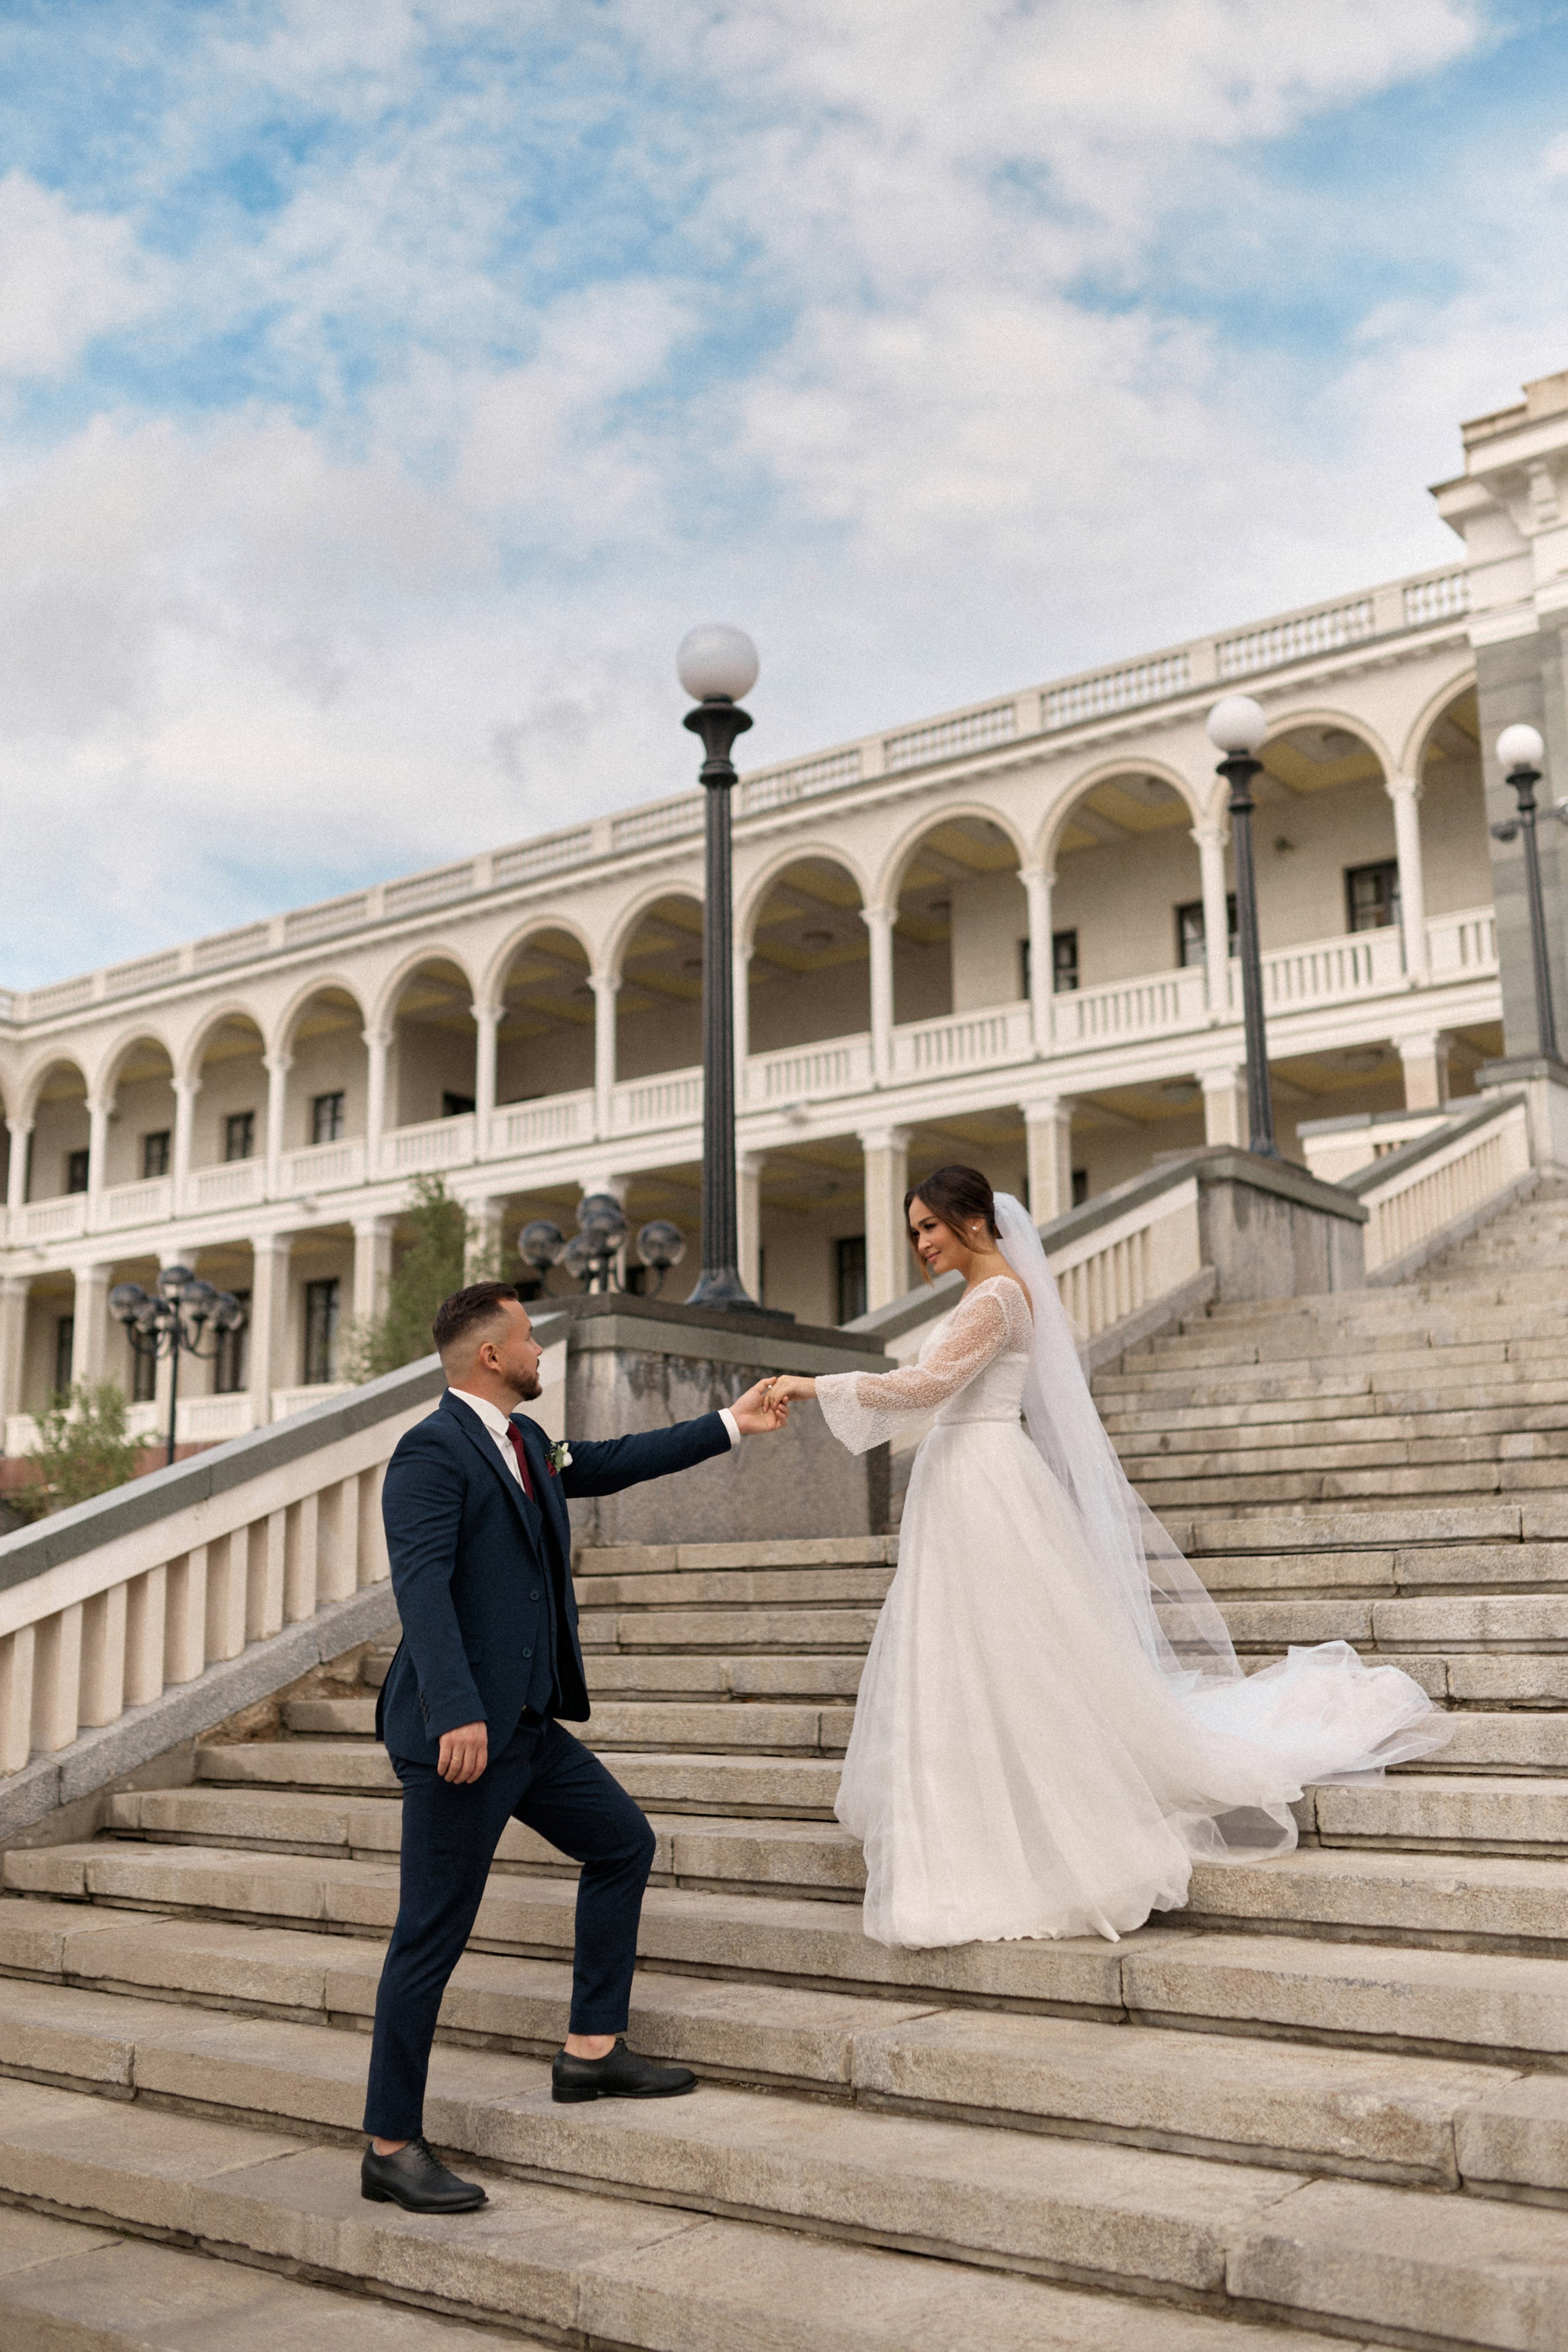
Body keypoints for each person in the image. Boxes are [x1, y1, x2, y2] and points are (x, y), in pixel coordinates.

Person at [764, 1166, 1449, 1951]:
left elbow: (926, 1384)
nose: (920, 1243)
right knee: (958, 1658)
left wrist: (808, 1384)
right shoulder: (978, 1295)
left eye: (929, 1226)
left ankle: (1026, 1830)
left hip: (986, 1482)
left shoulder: (999, 1297)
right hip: (958, 1483)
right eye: (914, 1230)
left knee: (1008, 1656)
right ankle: (963, 1824)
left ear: (975, 1221)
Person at [361, 1279, 788, 2213]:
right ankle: (391, 2145)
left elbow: (609, 1459)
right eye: (527, 1340)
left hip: (528, 1725)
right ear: (489, 1356)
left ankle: (591, 2051)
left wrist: (731, 1422)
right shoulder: (430, 1450)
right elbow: (421, 1587)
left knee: (622, 1842)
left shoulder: (522, 1442)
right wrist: (454, 1711)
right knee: (428, 1940)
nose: (540, 1353)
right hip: (462, 1737)